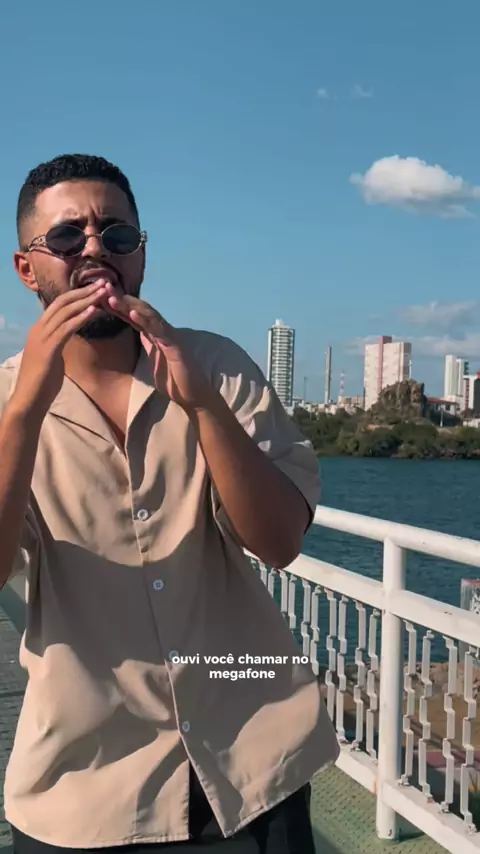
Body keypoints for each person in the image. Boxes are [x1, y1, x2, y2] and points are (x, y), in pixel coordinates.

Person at [0, 154, 339, 854]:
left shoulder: (214, 367)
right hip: (86, 789)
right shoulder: (9, 402)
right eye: (66, 236)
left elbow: (279, 542)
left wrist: (203, 405)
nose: (95, 249)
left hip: (254, 765)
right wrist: (25, 413)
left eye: (117, 235)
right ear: (28, 269)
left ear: (142, 257)